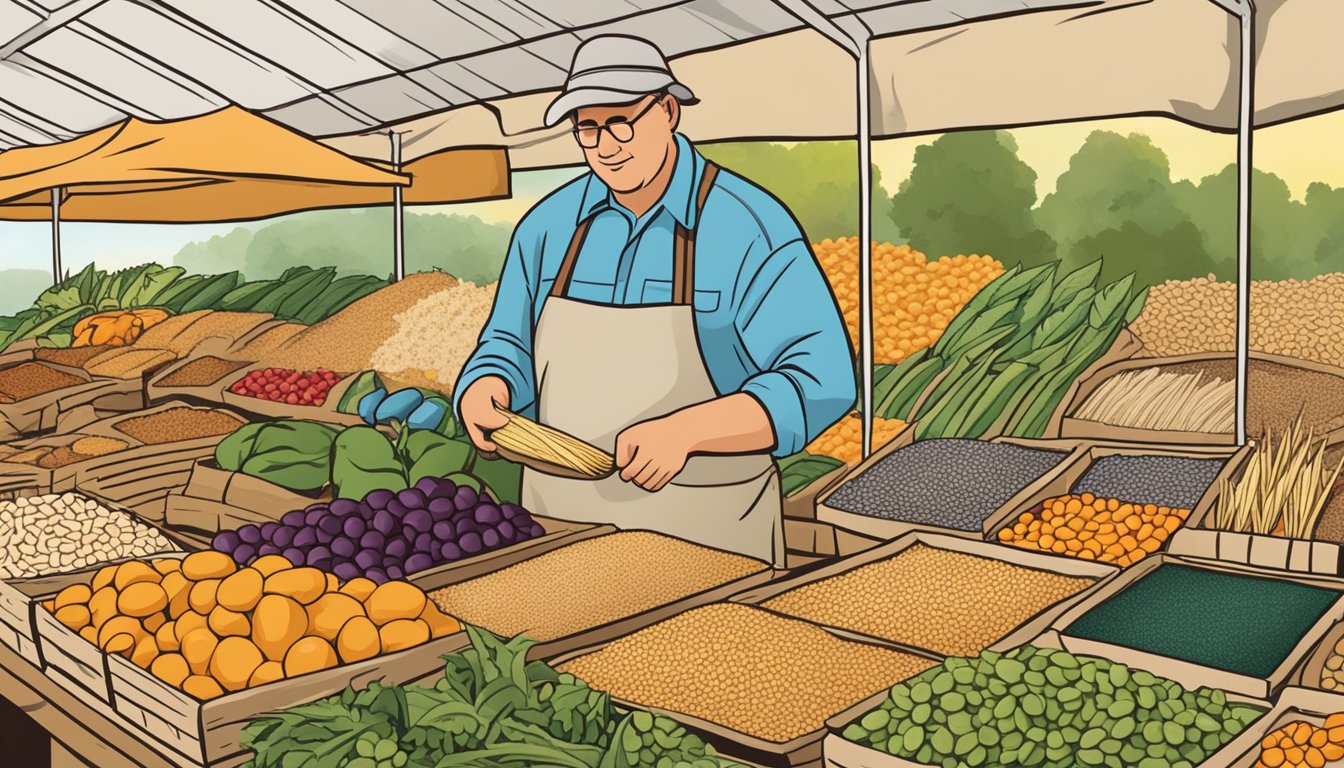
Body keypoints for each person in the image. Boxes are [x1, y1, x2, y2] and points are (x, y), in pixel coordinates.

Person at [453, 35, 855, 566]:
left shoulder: (748, 226)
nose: (604, 145)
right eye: (587, 128)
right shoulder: (547, 227)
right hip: (560, 526)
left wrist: (688, 431)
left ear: (668, 111)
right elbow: (507, 342)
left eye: (620, 121)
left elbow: (820, 379)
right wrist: (485, 384)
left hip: (707, 534)